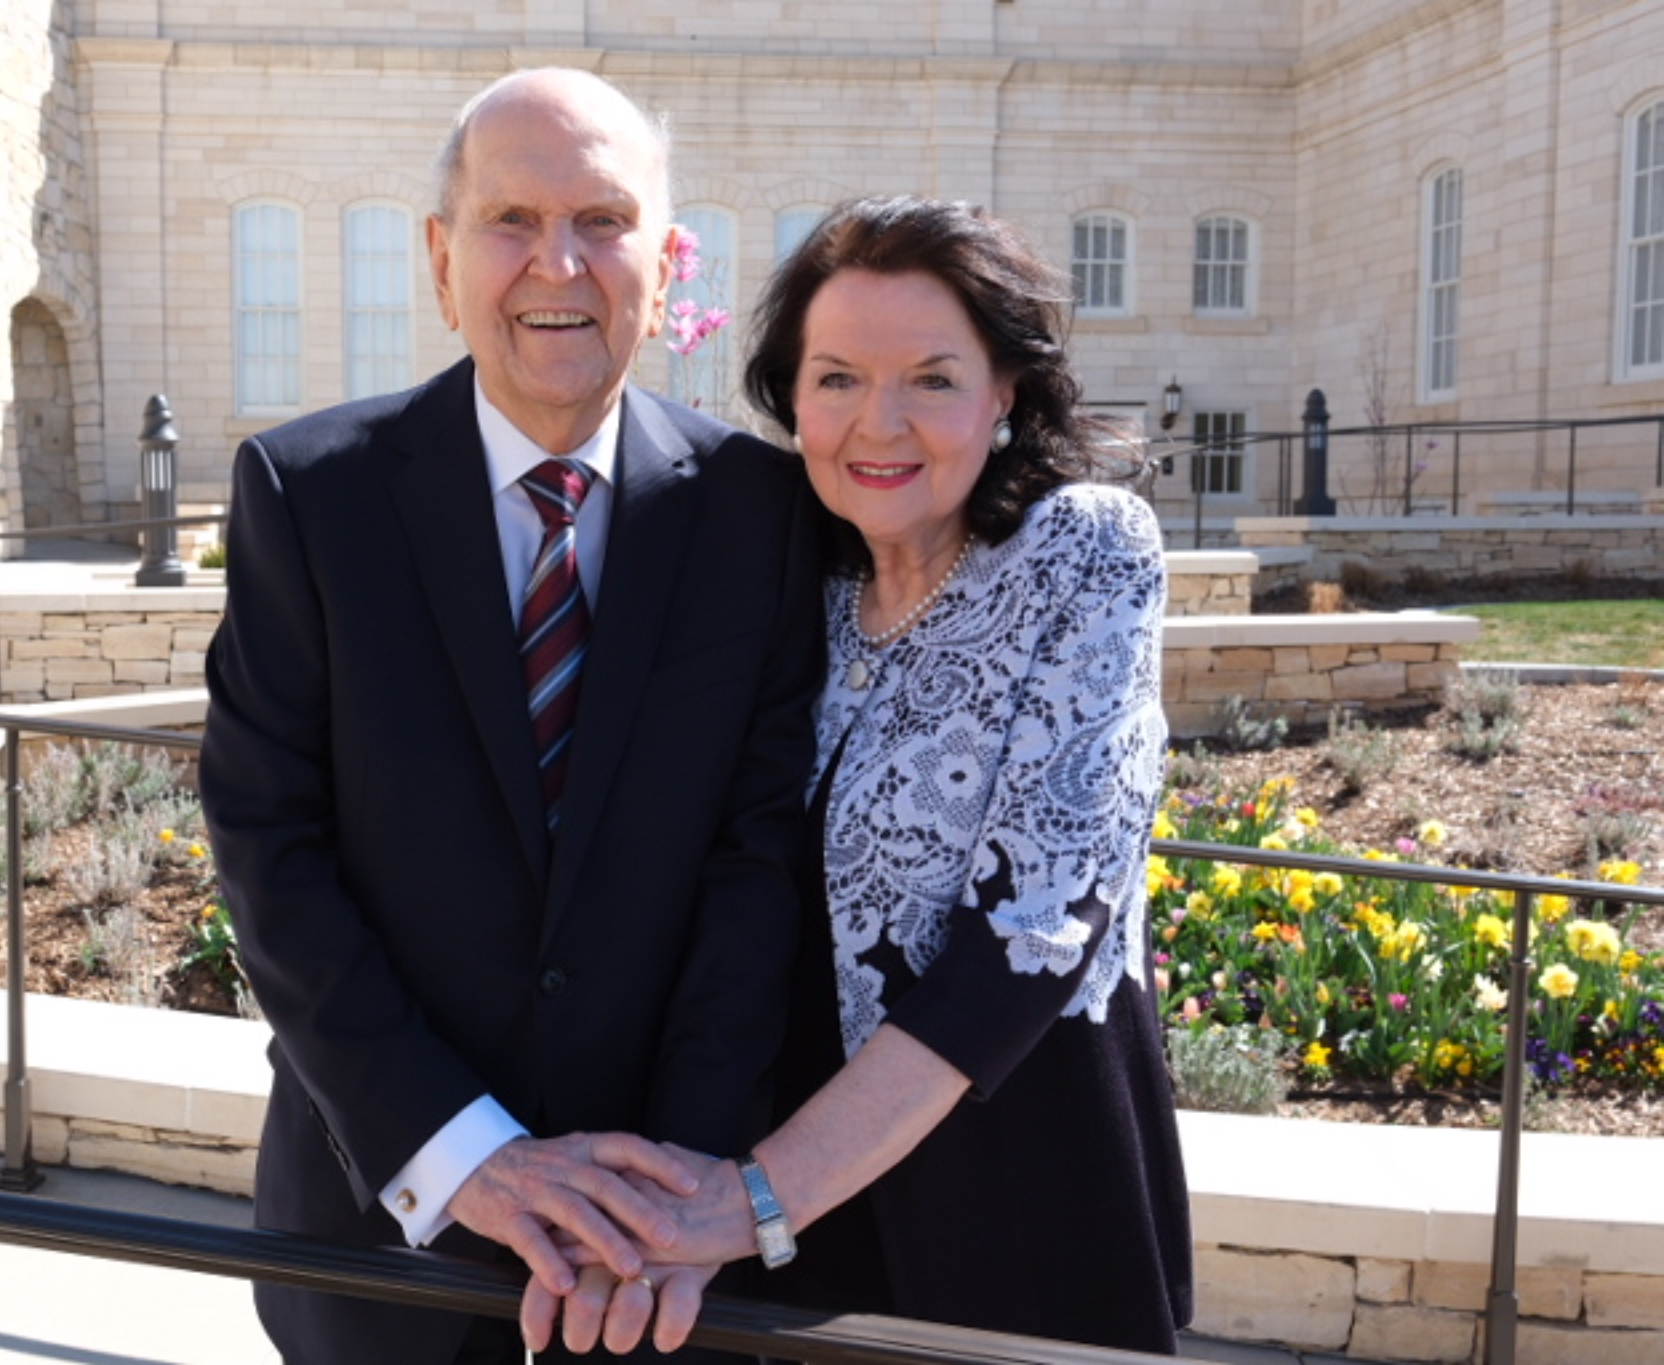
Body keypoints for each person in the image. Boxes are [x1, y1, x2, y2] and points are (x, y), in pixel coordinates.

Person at [197, 68, 823, 1364]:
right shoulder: (309, 500)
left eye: (603, 220)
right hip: (383, 1239)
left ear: (665, 255)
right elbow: (271, 850)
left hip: (661, 1270)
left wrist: (667, 1198)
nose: (561, 262)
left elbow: (756, 864)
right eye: (511, 221)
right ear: (441, 259)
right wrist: (462, 1156)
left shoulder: (763, 518)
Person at [525, 196, 1194, 1357]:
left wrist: (752, 1200)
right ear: (792, 400)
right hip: (788, 1215)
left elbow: (1034, 933)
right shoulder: (792, 580)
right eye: (834, 378)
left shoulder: (1081, 551)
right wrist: (663, 1195)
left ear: (1006, 398)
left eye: (930, 379)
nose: (875, 423)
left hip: (1012, 1198)